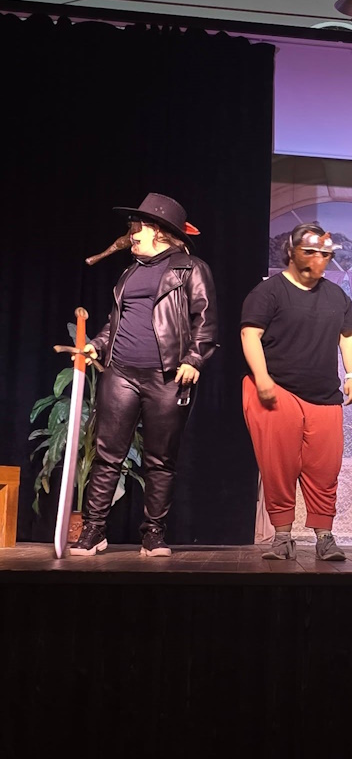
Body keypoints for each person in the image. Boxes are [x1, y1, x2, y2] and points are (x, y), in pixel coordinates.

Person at [70, 193, 218, 557]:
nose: (131, 233)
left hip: (168, 375)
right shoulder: (130, 272)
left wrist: (194, 359)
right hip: (121, 372)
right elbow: (116, 322)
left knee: (160, 460)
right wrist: (97, 345)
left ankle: (153, 533)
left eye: (137, 226)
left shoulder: (190, 268)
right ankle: (93, 529)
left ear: (159, 230)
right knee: (107, 454)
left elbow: (205, 319)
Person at [240, 223, 352, 561]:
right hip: (277, 389)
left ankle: (325, 537)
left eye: (324, 254)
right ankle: (281, 537)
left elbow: (348, 335)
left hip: (323, 394)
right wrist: (262, 378)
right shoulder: (269, 292)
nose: (317, 259)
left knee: (325, 468)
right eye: (309, 252)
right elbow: (250, 334)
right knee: (278, 465)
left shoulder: (336, 295)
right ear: (291, 252)